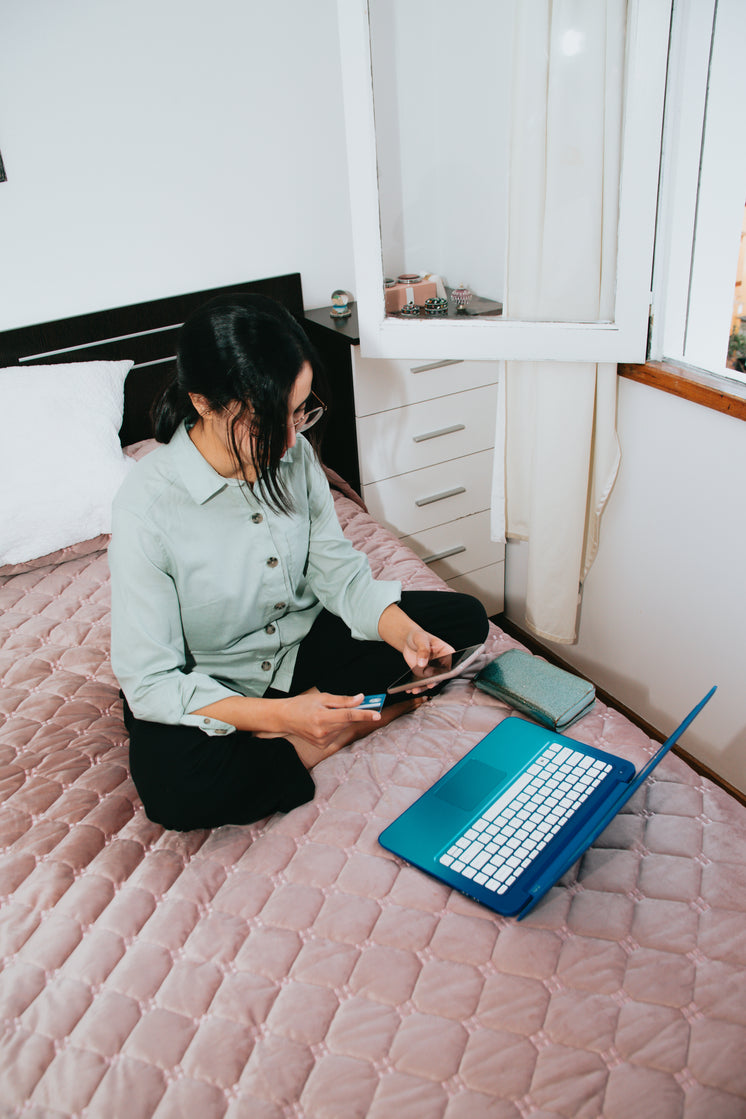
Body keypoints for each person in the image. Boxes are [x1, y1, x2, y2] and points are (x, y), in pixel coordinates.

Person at [109, 294, 489, 830]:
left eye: (299, 412)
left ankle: (320, 721)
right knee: (176, 792)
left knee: (462, 622)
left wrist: (404, 633)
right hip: (215, 680)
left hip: (300, 646)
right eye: (270, 419)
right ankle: (330, 732)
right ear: (203, 402)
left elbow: (337, 573)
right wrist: (284, 716)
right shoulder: (145, 509)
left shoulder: (295, 453)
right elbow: (149, 680)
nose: (291, 440)